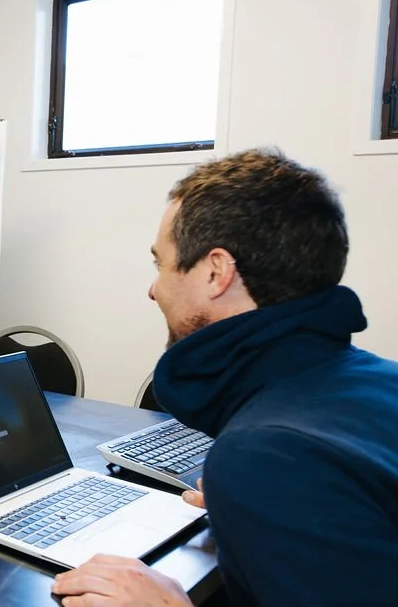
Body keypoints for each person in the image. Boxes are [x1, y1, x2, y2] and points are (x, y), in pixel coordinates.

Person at [51, 149, 398, 606]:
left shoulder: (271, 455)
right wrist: (271, 510)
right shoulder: (379, 379)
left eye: (162, 264)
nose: (153, 289)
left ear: (216, 272)